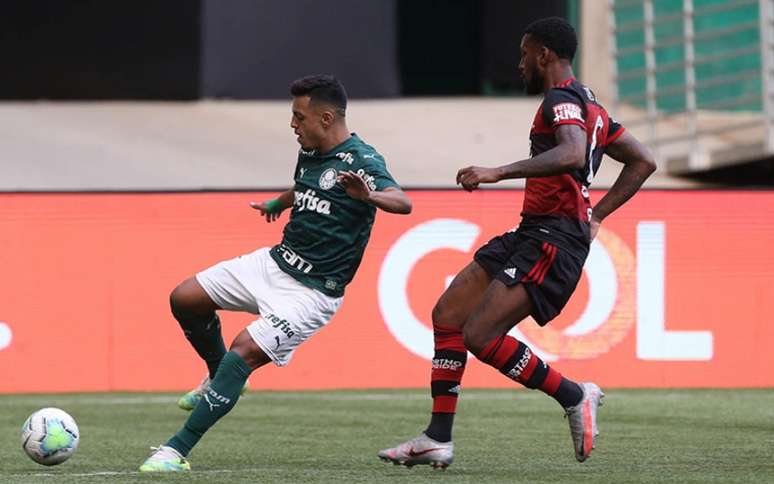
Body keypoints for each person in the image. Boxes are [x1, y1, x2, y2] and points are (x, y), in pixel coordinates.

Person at [379, 16, 656, 468]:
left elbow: (570, 153)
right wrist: (598, 215)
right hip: (535, 231)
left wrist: (497, 172)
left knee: (481, 336)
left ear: (544, 54)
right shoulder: (594, 108)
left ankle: (574, 394)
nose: (520, 63)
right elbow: (642, 161)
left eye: (525, 53)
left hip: (553, 238)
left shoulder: (562, 100)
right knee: (448, 314)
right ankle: (437, 438)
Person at [139, 74, 412, 472]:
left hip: (312, 293)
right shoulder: (312, 150)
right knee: (185, 297)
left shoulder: (363, 162)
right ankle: (216, 376)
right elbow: (307, 186)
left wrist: (369, 195)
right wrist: (279, 202)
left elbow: (403, 203)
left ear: (326, 117)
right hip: (274, 263)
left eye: (299, 117)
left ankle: (174, 451)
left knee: (243, 351)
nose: (292, 125)